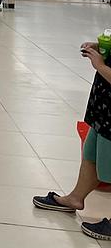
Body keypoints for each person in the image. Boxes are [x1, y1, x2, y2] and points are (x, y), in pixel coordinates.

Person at [33, 40, 111, 241]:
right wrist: (101, 46)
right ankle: (75, 198)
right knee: (92, 153)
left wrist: (100, 66)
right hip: (105, 110)